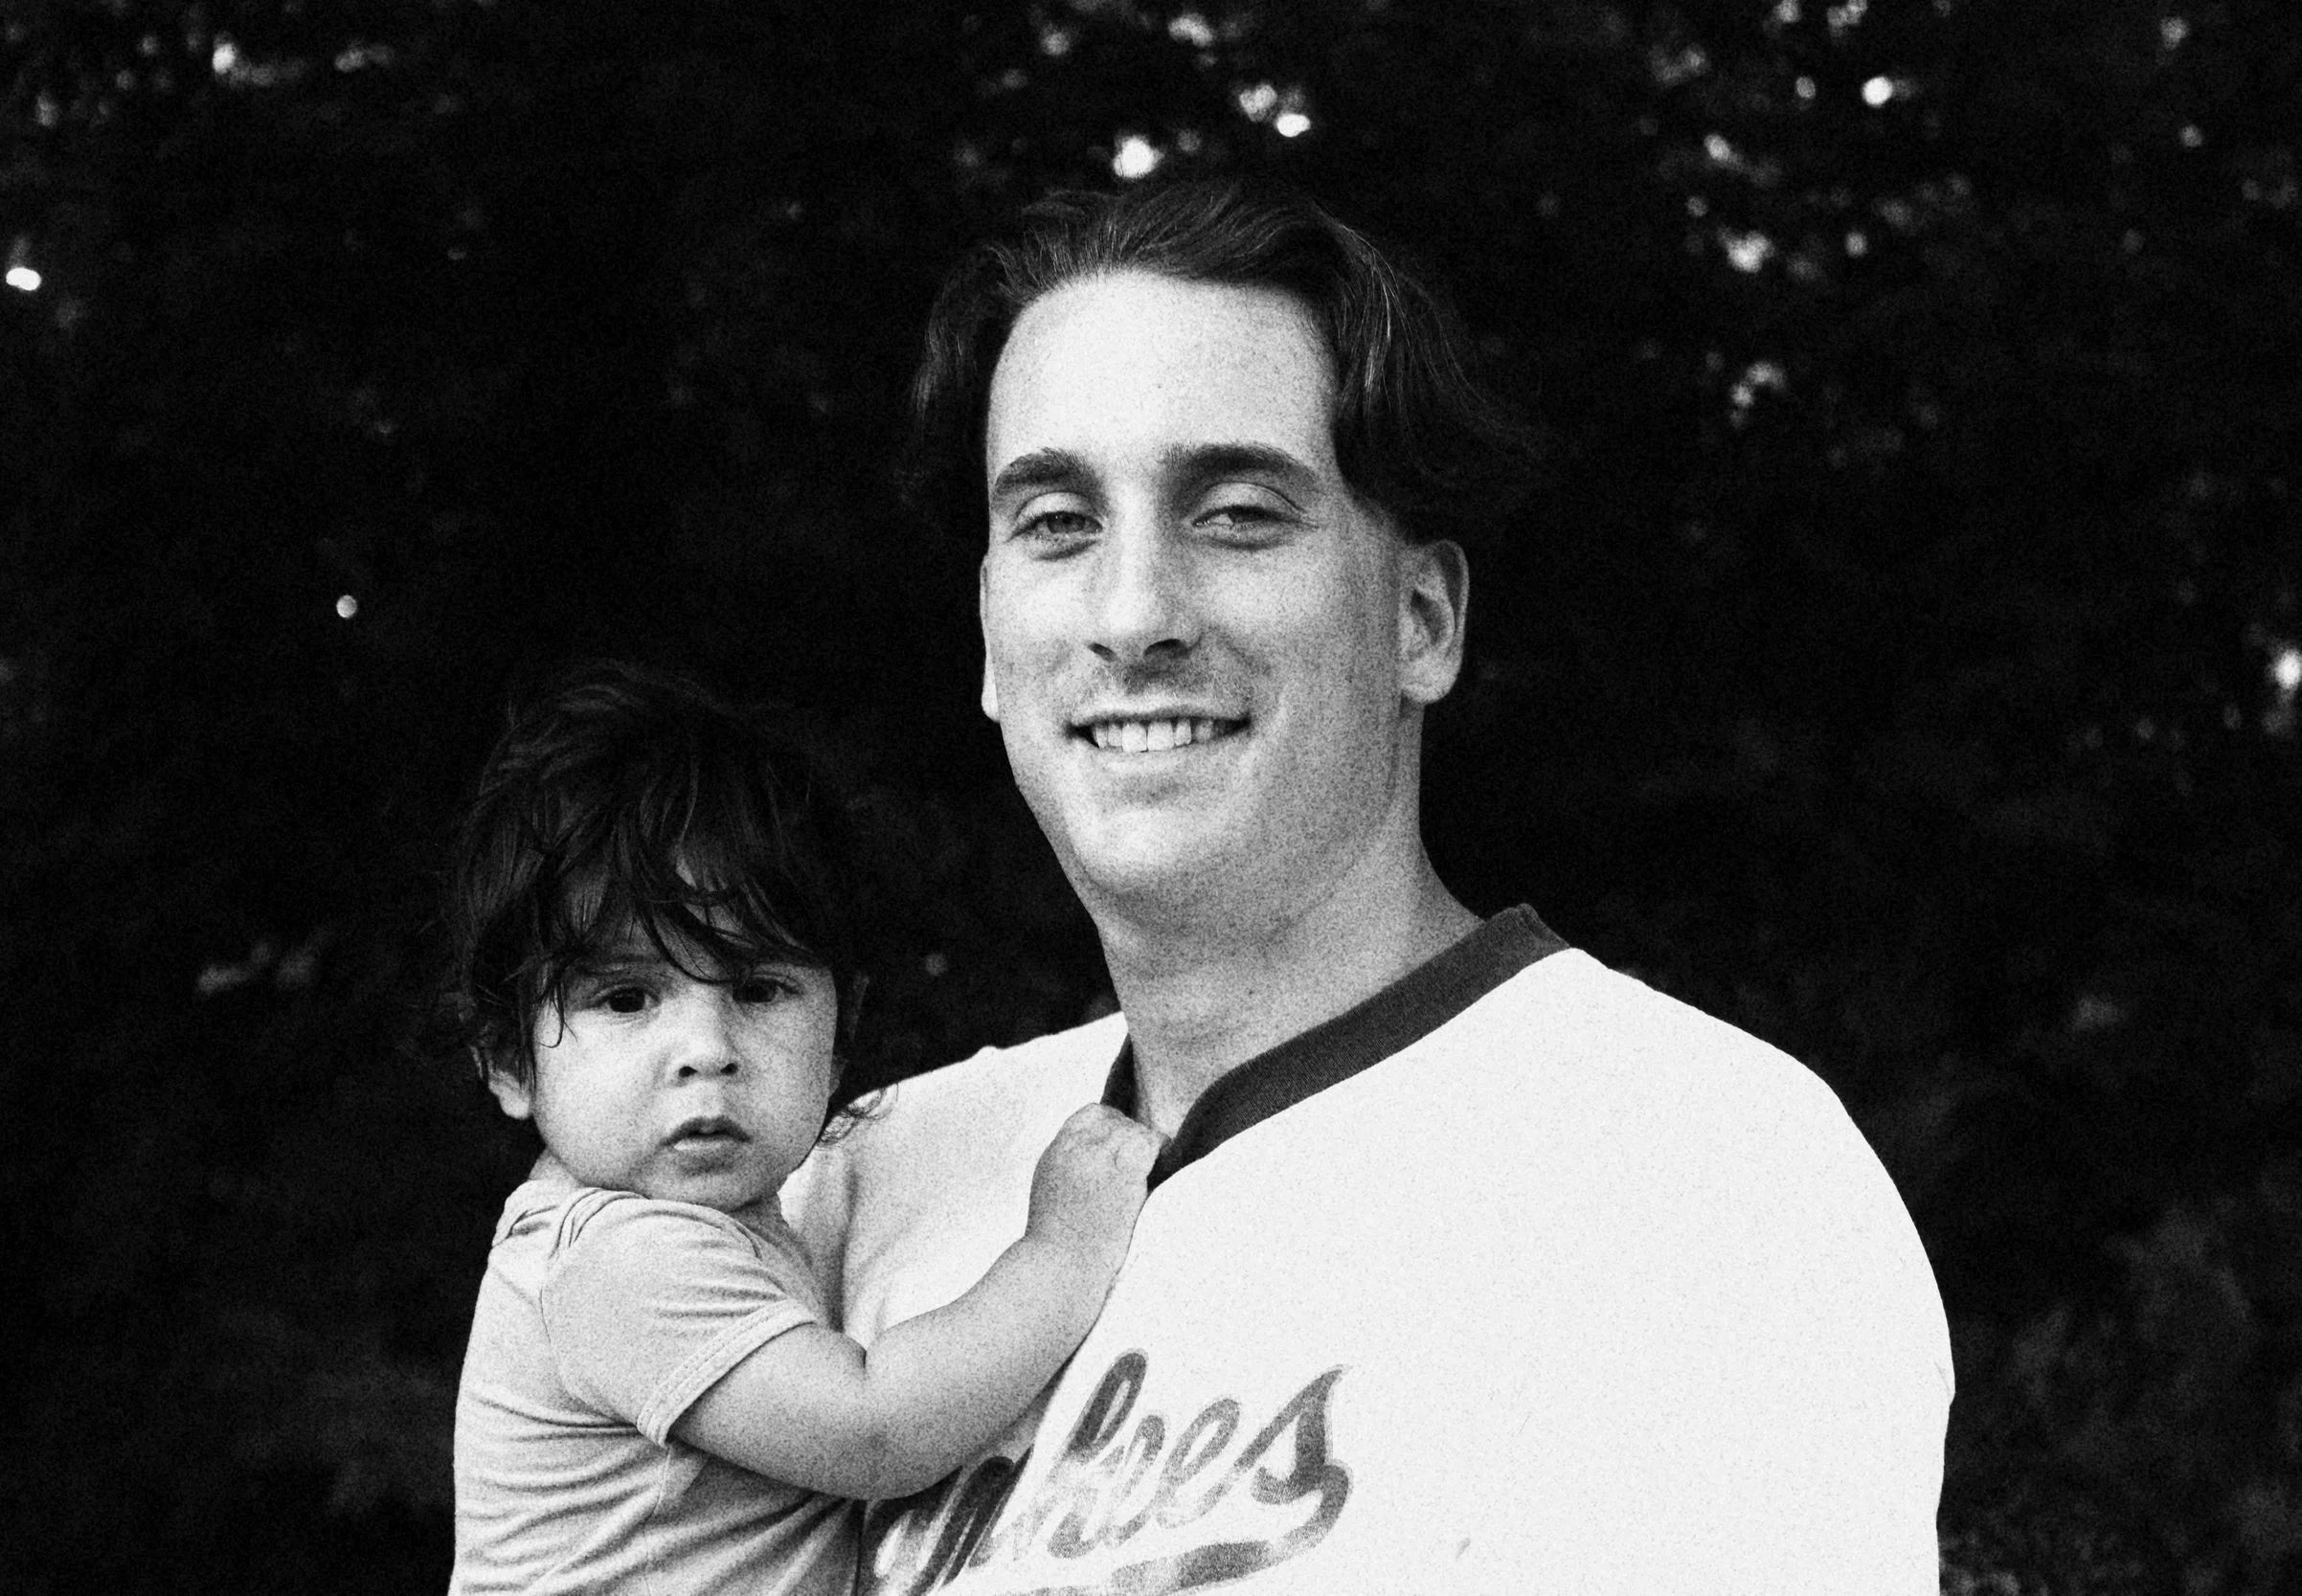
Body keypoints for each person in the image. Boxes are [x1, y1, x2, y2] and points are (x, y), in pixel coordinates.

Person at [785, 177, 1953, 1594]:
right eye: (1056, 521)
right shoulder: (866, 1179)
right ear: (986, 635)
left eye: (1236, 513)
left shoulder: (1694, 1181)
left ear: (1421, 617)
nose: (1134, 612)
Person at [438, 663, 1161, 1595]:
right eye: (625, 997)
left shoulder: (706, 1225)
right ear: (508, 1058)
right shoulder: (620, 1259)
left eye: (758, 988)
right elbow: (877, 1430)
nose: (707, 1049)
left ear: (840, 1032)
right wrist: (1060, 1251)